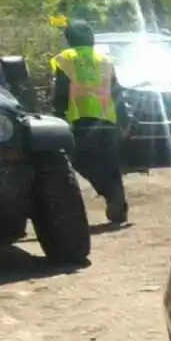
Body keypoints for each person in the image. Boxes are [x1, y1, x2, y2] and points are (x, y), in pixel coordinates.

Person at [49, 21, 128, 226]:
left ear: (69, 39)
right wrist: (125, 120)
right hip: (107, 119)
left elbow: (62, 92)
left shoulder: (65, 59)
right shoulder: (104, 60)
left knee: (80, 161)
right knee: (111, 165)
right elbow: (117, 92)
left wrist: (57, 116)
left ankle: (110, 194)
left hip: (80, 120)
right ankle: (119, 209)